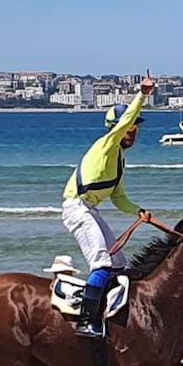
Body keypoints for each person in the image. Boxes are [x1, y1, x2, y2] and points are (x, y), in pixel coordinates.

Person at [61, 73, 155, 338]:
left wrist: (139, 211)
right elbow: (123, 122)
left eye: (137, 127)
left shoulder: (119, 161)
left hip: (90, 209)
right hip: (76, 207)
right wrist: (143, 94)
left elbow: (118, 197)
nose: (134, 130)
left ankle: (108, 313)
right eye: (131, 126)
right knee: (101, 262)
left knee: (119, 262)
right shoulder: (106, 145)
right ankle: (86, 321)